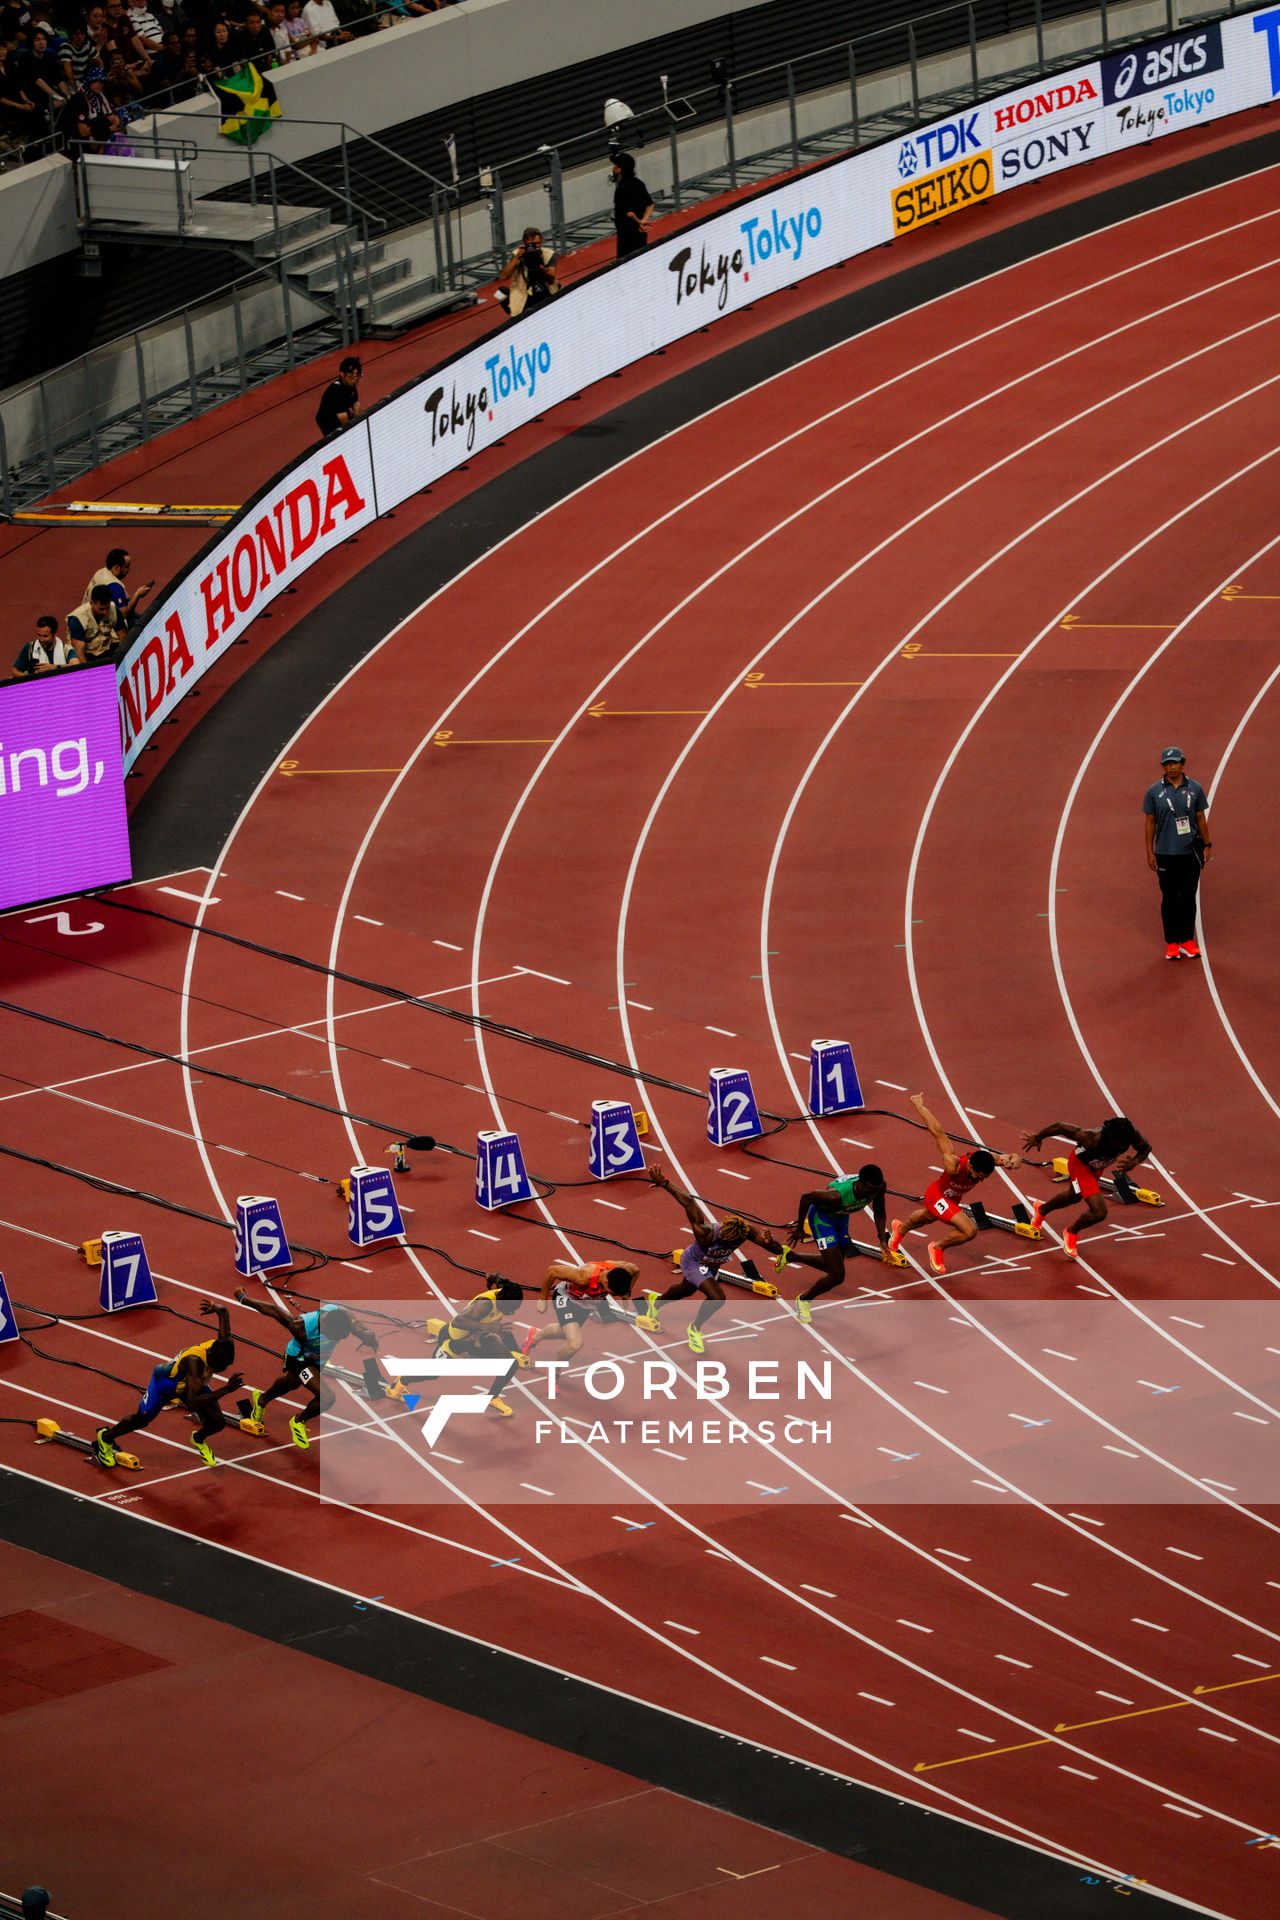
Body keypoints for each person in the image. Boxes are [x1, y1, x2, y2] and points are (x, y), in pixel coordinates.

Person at [641, 1165, 782, 1351]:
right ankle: (694, 1329)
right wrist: (665, 1183)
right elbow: (689, 1203)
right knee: (717, 1297)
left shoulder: (744, 1231)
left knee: (686, 1290)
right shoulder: (705, 1232)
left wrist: (771, 1242)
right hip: (694, 1261)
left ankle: (656, 1303)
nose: (732, 1244)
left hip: (712, 1264)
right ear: (722, 1233)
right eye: (727, 1241)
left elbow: (776, 1250)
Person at [93, 1301, 246, 1467]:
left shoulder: (225, 1343)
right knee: (142, 1419)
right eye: (219, 1367)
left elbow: (223, 1311)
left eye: (226, 1366)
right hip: (166, 1384)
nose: (222, 1370)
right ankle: (105, 1438)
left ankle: (198, 1439)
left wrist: (214, 1307)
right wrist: (227, 1389)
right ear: (210, 1357)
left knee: (218, 1422)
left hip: (191, 1384)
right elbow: (193, 1402)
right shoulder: (194, 1363)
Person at [888, 1093, 1022, 1275]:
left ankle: (900, 1229)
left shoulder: (990, 1160)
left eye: (983, 1178)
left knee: (925, 1218)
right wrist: (919, 1105)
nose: (979, 1180)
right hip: (938, 1195)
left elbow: (1013, 1156)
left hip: (953, 1198)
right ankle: (937, 1247)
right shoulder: (954, 1164)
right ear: (971, 1165)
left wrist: (1016, 1159)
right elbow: (937, 1131)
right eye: (977, 1176)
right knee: (969, 1230)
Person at [235, 1291, 379, 1448]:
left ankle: (261, 1400)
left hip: (319, 1360)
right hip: (299, 1358)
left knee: (291, 1383)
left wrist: (366, 1335)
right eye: (332, 1336)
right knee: (327, 1397)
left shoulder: (342, 1315)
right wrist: (243, 1298)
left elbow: (358, 1327)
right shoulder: (301, 1326)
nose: (334, 1339)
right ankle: (298, 1421)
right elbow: (274, 1310)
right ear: (325, 1326)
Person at [1020, 1116, 1151, 1258]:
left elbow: (1146, 1148)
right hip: (1080, 1166)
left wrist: (1135, 1161)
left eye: (1123, 1146)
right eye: (1117, 1145)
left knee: (1073, 1197)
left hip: (1097, 1168)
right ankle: (1071, 1231)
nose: (1120, 1148)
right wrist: (1038, 1137)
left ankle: (1041, 1209)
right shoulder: (1091, 1137)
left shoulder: (1130, 1135)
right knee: (1099, 1212)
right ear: (1109, 1137)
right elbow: (1059, 1126)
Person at [774, 1165, 892, 1321]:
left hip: (841, 1219)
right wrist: (800, 1227)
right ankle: (804, 1300)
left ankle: (790, 1256)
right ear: (861, 1184)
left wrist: (882, 1241)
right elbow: (806, 1198)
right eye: (869, 1191)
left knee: (831, 1264)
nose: (871, 1195)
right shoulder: (837, 1196)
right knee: (837, 1275)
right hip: (822, 1220)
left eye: (875, 1191)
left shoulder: (878, 1186)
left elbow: (879, 1211)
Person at [416, 1274, 529, 1420]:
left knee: (510, 1363)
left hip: (476, 1337)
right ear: (501, 1299)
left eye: (515, 1308)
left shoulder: (505, 1293)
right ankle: (400, 1383)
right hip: (455, 1339)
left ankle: (492, 1398)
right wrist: (488, 1327)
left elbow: (497, 1276)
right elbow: (458, 1321)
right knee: (433, 1373)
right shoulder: (485, 1304)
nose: (512, 1312)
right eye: (510, 1308)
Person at [1142, 746, 1211, 961]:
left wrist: (1207, 845)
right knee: (1170, 898)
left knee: (1189, 898)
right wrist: (1149, 851)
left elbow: (1200, 818)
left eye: (1175, 763)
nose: (1172, 767)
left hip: (1190, 853)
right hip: (1165, 853)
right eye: (1168, 764)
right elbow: (1149, 823)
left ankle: (1187, 941)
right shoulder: (1154, 792)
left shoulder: (1195, 789)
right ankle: (1172, 942)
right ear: (1163, 767)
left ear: (1183, 763)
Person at [523, 1256, 639, 1365]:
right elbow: (552, 1271)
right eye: (613, 1293)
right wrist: (542, 1299)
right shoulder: (584, 1277)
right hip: (566, 1297)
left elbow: (635, 1270)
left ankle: (534, 1337)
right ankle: (555, 1373)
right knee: (575, 1343)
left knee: (563, 1332)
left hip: (586, 1303)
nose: (613, 1296)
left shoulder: (620, 1269)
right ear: (605, 1282)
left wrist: (627, 1292)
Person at [495, 226, 557, 320]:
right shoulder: (517, 254)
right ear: (525, 244)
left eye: (537, 244)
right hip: (523, 294)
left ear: (541, 242)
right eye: (531, 245)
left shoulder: (549, 254)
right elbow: (503, 275)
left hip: (545, 291)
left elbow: (551, 279)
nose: (535, 247)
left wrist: (538, 265)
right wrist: (516, 258)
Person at [83, 547, 153, 628]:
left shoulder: (101, 571)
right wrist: (137, 595)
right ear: (116, 568)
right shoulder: (114, 587)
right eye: (126, 567)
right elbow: (124, 614)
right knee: (143, 626)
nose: (128, 570)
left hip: (89, 614)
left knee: (141, 617)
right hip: (100, 624)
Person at [611, 150, 653, 259]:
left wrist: (638, 222)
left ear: (619, 169)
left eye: (615, 165)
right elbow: (650, 205)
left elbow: (629, 213)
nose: (613, 168)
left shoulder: (621, 189)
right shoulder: (638, 183)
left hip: (626, 236)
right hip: (641, 233)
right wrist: (644, 220)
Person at [65, 582, 122, 661]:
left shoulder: (114, 610)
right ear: (92, 603)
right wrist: (90, 672)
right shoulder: (77, 620)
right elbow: (79, 654)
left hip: (105, 648)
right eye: (101, 609)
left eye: (107, 608)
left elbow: (123, 637)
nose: (105, 612)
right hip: (87, 654)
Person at [12, 614, 79, 676]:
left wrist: (55, 667)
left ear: (54, 634)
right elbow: (14, 671)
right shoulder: (29, 649)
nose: (41, 639)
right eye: (39, 635)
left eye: (45, 636)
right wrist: (31, 679)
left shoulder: (66, 650)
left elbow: (75, 665)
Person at [315, 354, 361, 438]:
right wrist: (351, 434)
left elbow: (356, 404)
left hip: (341, 413)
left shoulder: (350, 384)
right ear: (342, 374)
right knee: (337, 438)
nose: (355, 378)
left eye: (357, 375)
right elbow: (342, 417)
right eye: (351, 375)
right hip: (327, 420)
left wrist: (358, 425)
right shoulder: (336, 391)